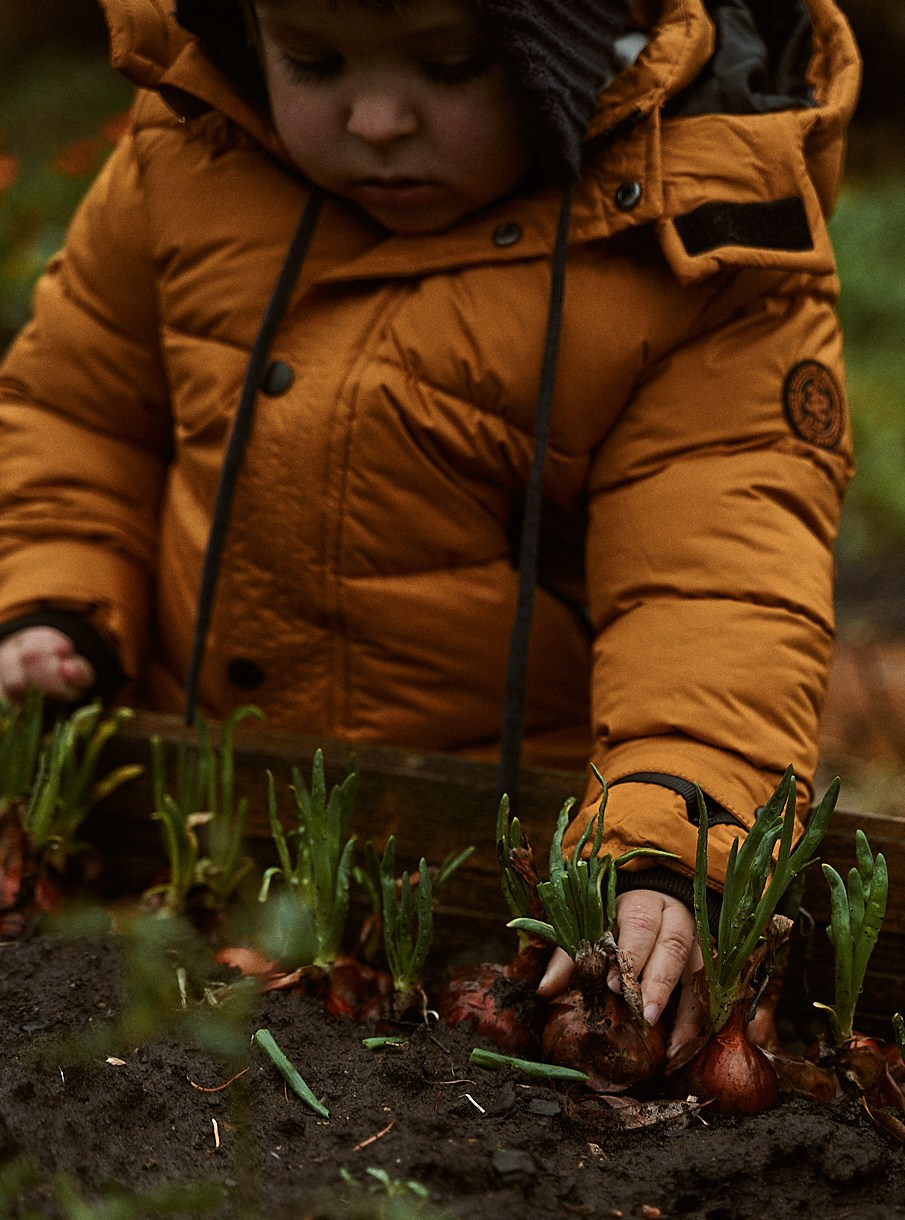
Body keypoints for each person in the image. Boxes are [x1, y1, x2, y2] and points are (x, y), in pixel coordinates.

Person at [0, 0, 859, 1052]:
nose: (373, 118)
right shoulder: (188, 157)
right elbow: (78, 415)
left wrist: (667, 841)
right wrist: (52, 595)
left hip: (502, 873)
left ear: (571, 59)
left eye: (448, 68)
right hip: (192, 815)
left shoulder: (697, 255)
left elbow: (717, 585)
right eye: (311, 62)